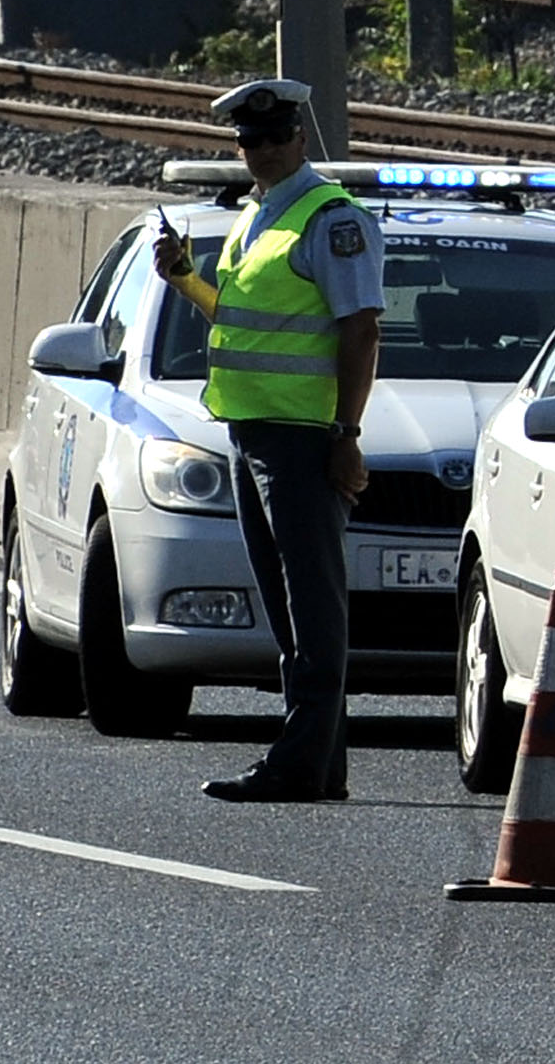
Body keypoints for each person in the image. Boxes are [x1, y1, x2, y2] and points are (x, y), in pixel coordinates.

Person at [150, 78, 383, 804]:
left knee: (311, 602)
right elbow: (246, 322)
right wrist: (187, 281)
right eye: (248, 141)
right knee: (287, 603)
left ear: (300, 138)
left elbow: (361, 328)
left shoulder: (329, 219)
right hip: (252, 431)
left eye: (273, 137)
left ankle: (298, 760)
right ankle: (319, 759)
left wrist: (346, 433)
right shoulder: (258, 216)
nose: (259, 151)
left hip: (304, 435)